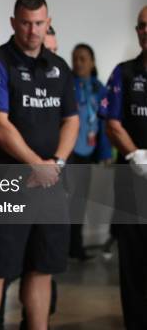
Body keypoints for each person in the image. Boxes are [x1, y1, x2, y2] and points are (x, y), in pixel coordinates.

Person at [0, 0, 79, 330]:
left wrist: (56, 163)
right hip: (7, 184)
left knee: (42, 267)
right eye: (25, 23)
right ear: (13, 23)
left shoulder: (59, 67)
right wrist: (37, 164)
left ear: (47, 23)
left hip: (49, 182)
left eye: (38, 23)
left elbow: (72, 121)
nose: (32, 30)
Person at [100, 5, 147, 330]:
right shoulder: (124, 73)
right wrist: (135, 155)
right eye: (142, 25)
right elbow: (112, 123)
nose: (146, 31)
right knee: (133, 260)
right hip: (133, 181)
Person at [67, 43, 111, 260]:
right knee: (65, 199)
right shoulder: (67, 85)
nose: (78, 63)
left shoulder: (100, 89)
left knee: (79, 199)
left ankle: (76, 246)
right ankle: (64, 246)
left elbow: (104, 124)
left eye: (83, 58)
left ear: (92, 62)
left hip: (88, 150)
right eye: (75, 58)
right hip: (68, 151)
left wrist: (105, 153)